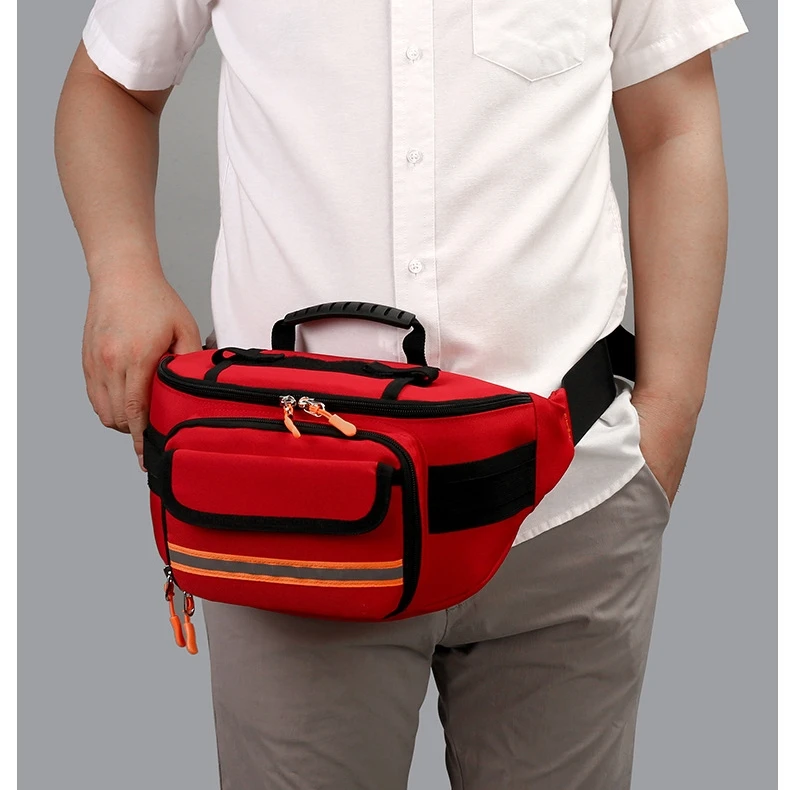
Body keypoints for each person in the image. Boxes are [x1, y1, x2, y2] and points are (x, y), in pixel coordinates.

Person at [54, 1, 748, 787]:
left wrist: (669, 418)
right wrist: (121, 270)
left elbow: (672, 123)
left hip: (570, 501)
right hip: (299, 515)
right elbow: (109, 84)